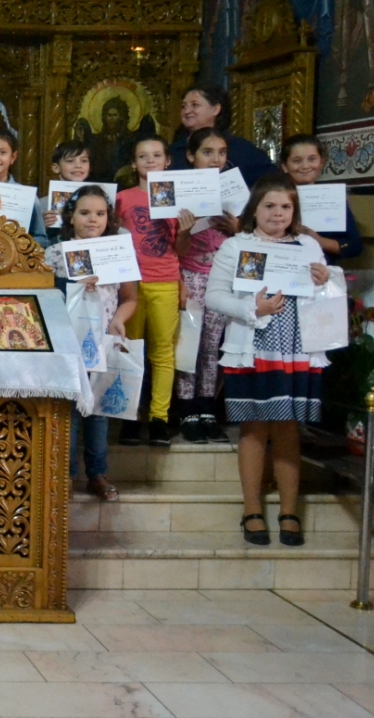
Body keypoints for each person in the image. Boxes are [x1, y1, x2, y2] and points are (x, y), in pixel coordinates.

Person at [205, 174, 332, 547]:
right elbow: (215, 296)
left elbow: (325, 291)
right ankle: (252, 509)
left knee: (288, 429)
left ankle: (289, 511)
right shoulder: (236, 246)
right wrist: (251, 308)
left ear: (295, 211)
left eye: (286, 207)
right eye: (270, 206)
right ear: (255, 209)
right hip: (254, 347)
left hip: (296, 349)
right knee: (254, 428)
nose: (278, 213)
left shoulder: (308, 245)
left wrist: (326, 278)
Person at [57, 187, 137, 498]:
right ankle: (66, 474)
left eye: (100, 214)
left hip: (103, 340)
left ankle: (97, 473)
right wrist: (73, 287)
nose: (93, 219)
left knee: (98, 411)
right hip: (69, 343)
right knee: (71, 410)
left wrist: (120, 319)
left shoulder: (117, 252)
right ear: (71, 216)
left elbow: (130, 298)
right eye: (85, 213)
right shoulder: (58, 252)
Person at [116, 135, 192, 446]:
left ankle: (159, 417)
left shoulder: (176, 197)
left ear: (167, 161)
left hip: (165, 280)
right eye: (143, 156)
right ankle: (130, 416)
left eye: (156, 155)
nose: (150, 161)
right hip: (130, 282)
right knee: (131, 351)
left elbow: (182, 249)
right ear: (134, 163)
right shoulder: (122, 199)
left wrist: (186, 229)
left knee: (163, 354)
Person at [175, 129, 238, 444]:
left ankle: (207, 409)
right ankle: (186, 410)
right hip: (190, 275)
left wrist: (238, 227)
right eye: (208, 152)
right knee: (190, 345)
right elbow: (173, 250)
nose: (216, 159)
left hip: (222, 278)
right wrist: (185, 230)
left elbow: (250, 243)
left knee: (213, 347)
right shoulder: (178, 191)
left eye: (222, 152)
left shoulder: (234, 190)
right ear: (191, 156)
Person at [167, 85, 276, 184]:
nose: (187, 111)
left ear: (215, 109)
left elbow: (271, 183)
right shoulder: (171, 152)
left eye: (195, 105)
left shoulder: (242, 149)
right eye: (184, 106)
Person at [280, 134, 363, 261]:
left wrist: (317, 240)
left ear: (321, 162)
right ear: (285, 166)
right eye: (297, 161)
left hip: (322, 273)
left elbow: (354, 246)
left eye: (312, 159)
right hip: (282, 268)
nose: (305, 166)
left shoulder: (332, 198)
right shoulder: (273, 198)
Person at [41, 141, 93, 243]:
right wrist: (42, 227)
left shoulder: (99, 201)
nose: (78, 165)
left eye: (84, 161)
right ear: (56, 168)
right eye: (70, 161)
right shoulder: (43, 204)